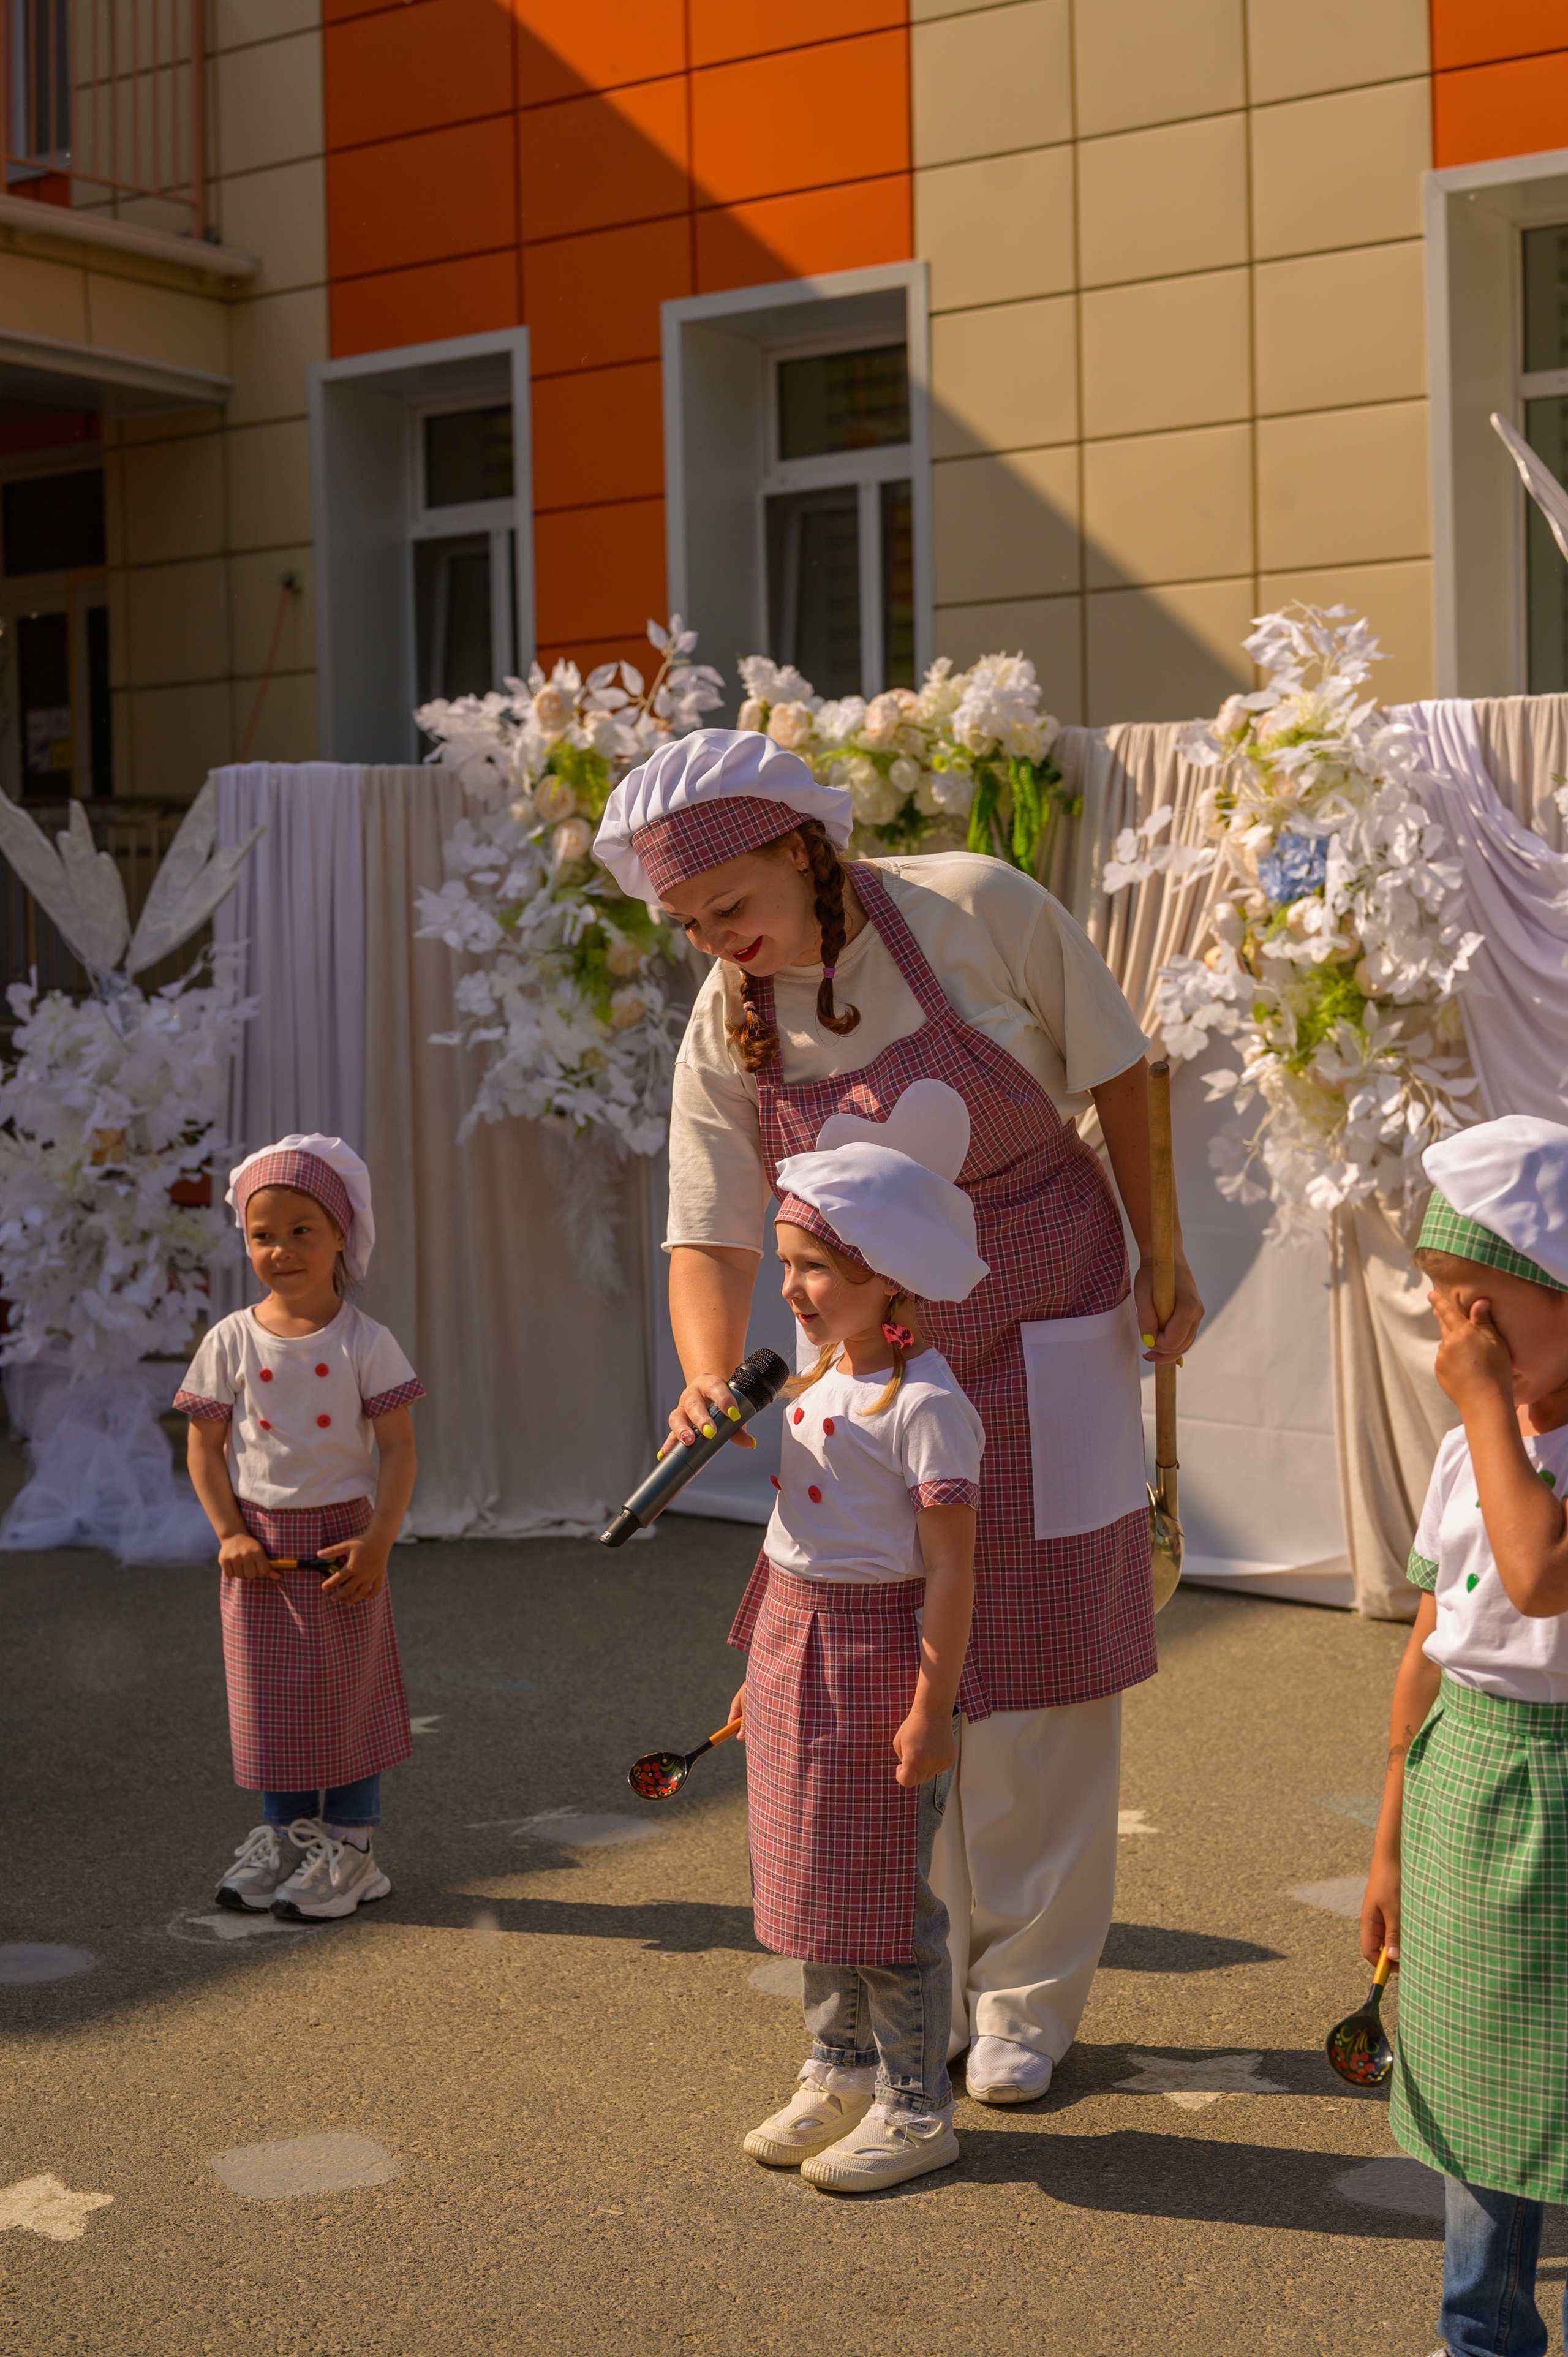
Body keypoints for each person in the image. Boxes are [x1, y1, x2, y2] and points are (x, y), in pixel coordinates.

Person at [594, 728, 1204, 2102]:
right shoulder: (726, 1013)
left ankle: (1028, 2001)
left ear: (802, 848)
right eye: (688, 924)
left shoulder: (972, 907)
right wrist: (705, 1368)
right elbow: (709, 1223)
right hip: (869, 1362)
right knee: (888, 1661)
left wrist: (1161, 1246)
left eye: (730, 907)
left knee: (1041, 1665)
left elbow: (1117, 1059)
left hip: (1046, 1307)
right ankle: (916, 1978)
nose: (716, 942)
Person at [733, 1081, 985, 2192]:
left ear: (888, 1276)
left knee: (881, 1899)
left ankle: (917, 2103)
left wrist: (931, 1706)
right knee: (814, 1883)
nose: (792, 1288)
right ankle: (835, 2068)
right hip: (797, 1646)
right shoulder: (819, 1380)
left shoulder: (926, 1406)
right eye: (788, 1265)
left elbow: (952, 1572)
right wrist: (760, 1670)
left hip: (878, 1658)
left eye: (815, 1269)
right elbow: (797, 1527)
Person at [1362, 1116, 1568, 2357]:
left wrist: (1487, 1400)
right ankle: (1479, 2335)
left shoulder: (1490, 1433)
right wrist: (1386, 1839)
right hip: (1466, 1786)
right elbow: (1425, 1648)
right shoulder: (1459, 1448)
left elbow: (1537, 1571)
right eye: (1441, 1311)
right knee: (1481, 2100)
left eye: (1476, 1312)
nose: (1454, 1344)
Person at [175, 1134, 424, 1923]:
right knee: (270, 1698)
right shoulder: (230, 1340)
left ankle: (351, 1849)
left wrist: (379, 1542)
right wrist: (229, 1533)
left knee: (346, 1695)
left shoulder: (365, 1342)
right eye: (263, 1234)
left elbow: (399, 1450)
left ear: (342, 1234)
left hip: (343, 1543)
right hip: (259, 1549)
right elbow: (205, 1446)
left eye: (302, 1231)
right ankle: (286, 1835)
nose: (281, 1249)